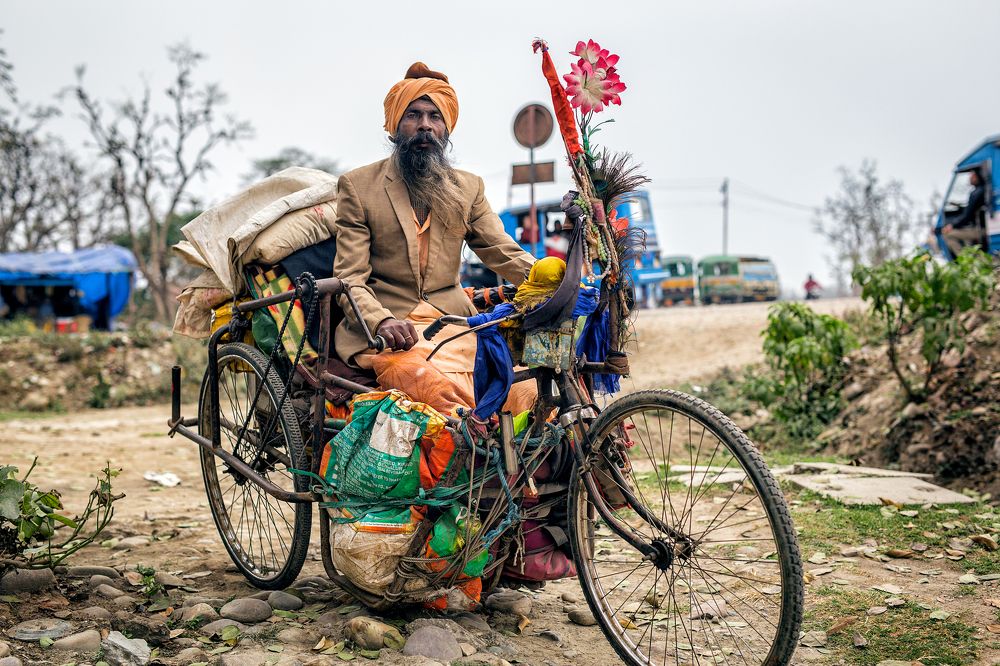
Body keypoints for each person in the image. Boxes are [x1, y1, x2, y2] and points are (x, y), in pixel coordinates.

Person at [333, 62, 536, 418]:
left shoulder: (468, 187)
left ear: (446, 128)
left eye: (434, 116)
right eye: (413, 115)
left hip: (455, 326)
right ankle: (475, 452)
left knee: (527, 388)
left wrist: (548, 279)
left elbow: (501, 249)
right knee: (429, 386)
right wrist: (381, 321)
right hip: (389, 334)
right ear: (395, 126)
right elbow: (350, 278)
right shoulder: (359, 187)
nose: (425, 125)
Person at [942, 168, 987, 257]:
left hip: (980, 230)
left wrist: (951, 226)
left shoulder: (976, 193)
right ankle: (975, 257)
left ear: (977, 176)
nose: (970, 178)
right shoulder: (983, 190)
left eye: (972, 175)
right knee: (965, 235)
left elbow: (966, 216)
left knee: (947, 234)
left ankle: (965, 260)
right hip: (982, 228)